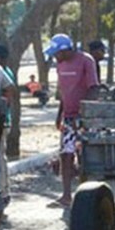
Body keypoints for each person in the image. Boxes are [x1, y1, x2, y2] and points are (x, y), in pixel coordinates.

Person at [44, 33, 98, 208]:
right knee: (65, 155)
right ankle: (66, 195)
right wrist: (59, 114)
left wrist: (83, 115)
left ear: (66, 50)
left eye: (56, 53)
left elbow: (93, 89)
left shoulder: (85, 60)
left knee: (84, 157)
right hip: (68, 117)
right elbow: (63, 92)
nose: (55, 57)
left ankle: (86, 196)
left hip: (84, 118)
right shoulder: (60, 64)